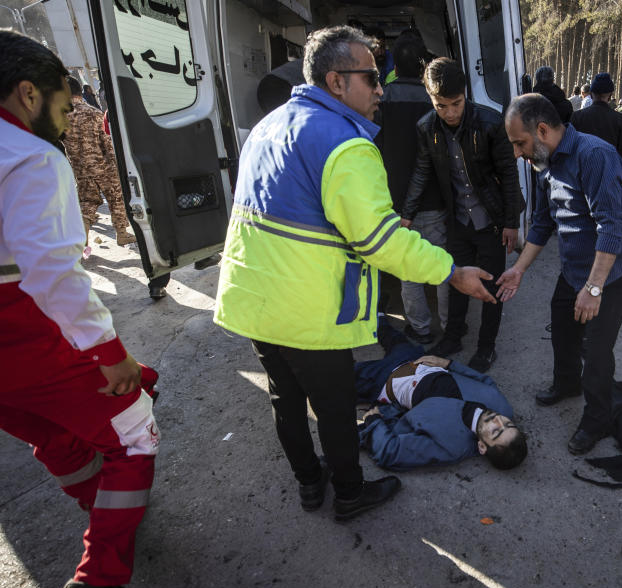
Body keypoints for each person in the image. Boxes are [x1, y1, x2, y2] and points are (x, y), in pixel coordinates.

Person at [213, 26, 496, 522]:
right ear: (336, 81)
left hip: (252, 297)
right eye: (371, 77)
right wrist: (450, 270)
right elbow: (379, 240)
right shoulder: (345, 144)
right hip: (306, 307)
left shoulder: (269, 125)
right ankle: (348, 493)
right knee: (336, 406)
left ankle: (309, 484)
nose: (381, 88)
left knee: (285, 399)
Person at [0, 29, 161, 588]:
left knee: (52, 437)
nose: (68, 125)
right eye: (64, 109)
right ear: (27, 94)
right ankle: (99, 579)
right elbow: (50, 271)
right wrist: (111, 353)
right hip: (28, 341)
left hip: (9, 374)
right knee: (136, 428)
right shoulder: (30, 157)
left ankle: (106, 510)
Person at [498, 94, 622, 456]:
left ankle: (597, 419)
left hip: (607, 276)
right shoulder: (544, 162)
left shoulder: (594, 156)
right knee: (562, 328)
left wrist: (593, 289)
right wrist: (518, 270)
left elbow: (612, 227)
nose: (517, 153)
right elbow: (544, 221)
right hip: (575, 269)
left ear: (542, 130)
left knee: (596, 353)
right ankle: (566, 385)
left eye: (520, 143)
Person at [402, 57, 523, 373]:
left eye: (456, 104)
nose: (451, 113)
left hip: (492, 222)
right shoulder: (426, 127)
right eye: (442, 106)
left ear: (465, 94)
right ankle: (453, 336)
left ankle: (486, 347)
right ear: (431, 99)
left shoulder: (490, 122)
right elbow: (422, 171)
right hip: (457, 222)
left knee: (493, 285)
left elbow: (509, 174)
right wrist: (407, 214)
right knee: (455, 281)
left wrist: (512, 222)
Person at [353, 322, 527, 470]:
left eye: (496, 431)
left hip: (385, 381)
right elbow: (484, 380)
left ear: (482, 446)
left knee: (339, 375)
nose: (498, 420)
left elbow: (391, 451)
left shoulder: (450, 446)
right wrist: (448, 363)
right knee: (393, 337)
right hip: (419, 360)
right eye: (508, 423)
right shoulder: (503, 408)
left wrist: (374, 422)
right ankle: (378, 314)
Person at [375, 34, 447, 345]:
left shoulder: (380, 100)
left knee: (407, 266)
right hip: (435, 199)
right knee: (442, 263)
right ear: (423, 66)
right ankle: (450, 323)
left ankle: (419, 327)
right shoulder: (436, 101)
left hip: (394, 201)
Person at [62, 76, 136, 248]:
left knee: (87, 201)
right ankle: (122, 234)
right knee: (115, 197)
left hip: (80, 168)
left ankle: (82, 236)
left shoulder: (61, 117)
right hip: (103, 165)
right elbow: (107, 143)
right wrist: (116, 165)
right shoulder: (94, 113)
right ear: (79, 91)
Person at [570, 72, 622, 164]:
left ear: (592, 94)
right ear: (610, 95)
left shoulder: (577, 116)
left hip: (582, 171)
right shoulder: (620, 119)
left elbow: (570, 149)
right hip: (609, 171)